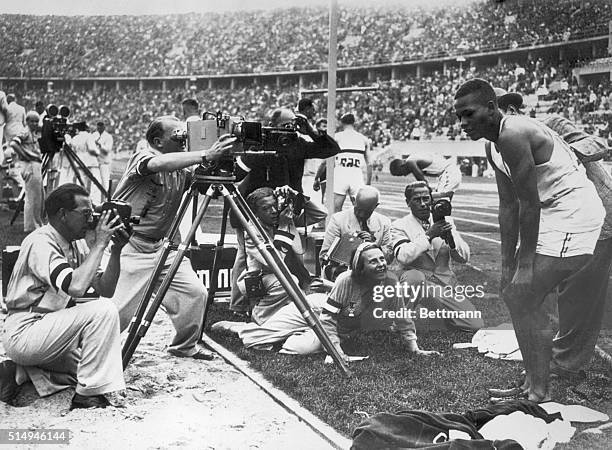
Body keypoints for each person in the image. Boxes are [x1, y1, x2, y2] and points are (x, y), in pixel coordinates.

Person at [454, 78, 604, 403]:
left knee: (525, 294)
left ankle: (539, 390)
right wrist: (507, 265)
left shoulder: (513, 133)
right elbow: (507, 206)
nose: (463, 123)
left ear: (492, 108)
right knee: (513, 293)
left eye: (469, 114)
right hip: (555, 211)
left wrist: (524, 266)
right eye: (459, 117)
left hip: (575, 211)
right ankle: (530, 383)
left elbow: (529, 203)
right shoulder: (491, 144)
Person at [494, 89, 612, 377]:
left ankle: (566, 364)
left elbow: (597, 144)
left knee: (579, 293)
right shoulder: (500, 146)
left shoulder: (550, 125)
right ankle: (551, 356)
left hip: (595, 216)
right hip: (558, 221)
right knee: (538, 287)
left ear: (510, 109)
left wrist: (558, 150)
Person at [102, 115, 236, 360]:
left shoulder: (182, 168)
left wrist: (223, 158)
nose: (184, 138)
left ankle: (184, 346)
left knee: (195, 294)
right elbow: (157, 164)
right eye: (177, 135)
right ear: (158, 141)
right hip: (130, 245)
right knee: (117, 312)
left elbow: (208, 187)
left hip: (163, 247)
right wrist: (206, 154)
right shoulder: (142, 156)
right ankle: (88, 354)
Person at [0, 183, 129, 409]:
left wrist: (115, 249)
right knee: (103, 313)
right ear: (63, 215)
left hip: (47, 330)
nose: (92, 219)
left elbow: (104, 289)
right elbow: (76, 287)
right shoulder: (41, 241)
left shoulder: (74, 244)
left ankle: (17, 372)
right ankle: (85, 397)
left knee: (95, 364)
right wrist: (99, 243)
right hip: (25, 330)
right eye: (86, 213)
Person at [229, 107, 341, 317]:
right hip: (254, 208)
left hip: (283, 207)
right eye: (285, 125)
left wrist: (311, 131)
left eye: (293, 125)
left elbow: (330, 149)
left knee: (286, 249)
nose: (290, 129)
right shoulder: (259, 143)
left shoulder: (297, 143)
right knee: (245, 255)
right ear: (272, 124)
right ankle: (238, 305)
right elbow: (236, 174)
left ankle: (291, 292)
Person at [318, 243, 440, 359]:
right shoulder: (345, 281)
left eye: (382, 259)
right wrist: (336, 352)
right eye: (373, 261)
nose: (381, 264)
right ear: (360, 268)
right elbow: (327, 320)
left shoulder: (391, 281)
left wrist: (414, 348)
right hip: (317, 311)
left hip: (348, 326)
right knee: (308, 347)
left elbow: (402, 316)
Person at [390, 181, 483, 332]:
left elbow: (464, 258)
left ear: (431, 200)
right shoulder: (399, 225)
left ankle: (433, 315)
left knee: (474, 324)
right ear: (408, 203)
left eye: (426, 199)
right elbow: (403, 256)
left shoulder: (445, 220)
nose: (422, 204)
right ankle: (400, 320)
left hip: (444, 284)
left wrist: (452, 240)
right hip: (418, 282)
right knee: (414, 278)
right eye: (416, 200)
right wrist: (429, 235)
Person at [320, 186, 393, 280]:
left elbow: (389, 259)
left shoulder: (384, 222)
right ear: (353, 200)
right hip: (344, 273)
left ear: (376, 206)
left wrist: (374, 246)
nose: (361, 214)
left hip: (373, 273)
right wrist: (350, 245)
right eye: (358, 209)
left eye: (367, 212)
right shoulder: (338, 220)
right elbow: (324, 257)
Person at [8, 111, 44, 232]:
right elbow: (13, 143)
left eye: (36, 121)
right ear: (27, 121)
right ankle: (30, 226)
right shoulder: (25, 131)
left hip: (34, 164)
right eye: (32, 121)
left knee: (38, 196)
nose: (34, 123)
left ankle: (37, 223)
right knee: (32, 196)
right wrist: (25, 155)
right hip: (29, 165)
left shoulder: (32, 133)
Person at [332, 113, 372, 213]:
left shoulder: (336, 137)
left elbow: (328, 161)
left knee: (336, 209)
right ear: (354, 123)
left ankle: (337, 228)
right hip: (356, 176)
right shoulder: (363, 139)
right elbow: (369, 164)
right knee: (361, 209)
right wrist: (368, 183)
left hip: (340, 174)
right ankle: (360, 228)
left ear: (341, 122)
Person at [389, 154, 462, 200]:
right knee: (443, 202)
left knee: (439, 201)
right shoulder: (413, 158)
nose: (404, 175)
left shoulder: (410, 162)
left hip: (448, 172)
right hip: (447, 173)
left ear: (401, 166)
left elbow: (423, 182)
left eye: (401, 173)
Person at [69, 123, 103, 205]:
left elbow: (72, 150)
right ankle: (96, 203)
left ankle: (81, 203)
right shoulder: (89, 136)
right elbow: (92, 149)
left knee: (80, 184)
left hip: (79, 162)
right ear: (86, 128)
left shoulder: (75, 138)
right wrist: (98, 152)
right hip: (90, 162)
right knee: (96, 184)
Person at [92, 121, 114, 196]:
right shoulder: (94, 135)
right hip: (95, 162)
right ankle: (95, 200)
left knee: (105, 182)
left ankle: (105, 198)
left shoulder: (108, 136)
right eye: (98, 127)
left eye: (101, 127)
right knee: (95, 182)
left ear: (104, 127)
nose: (99, 129)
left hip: (104, 162)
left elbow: (108, 149)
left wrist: (100, 144)